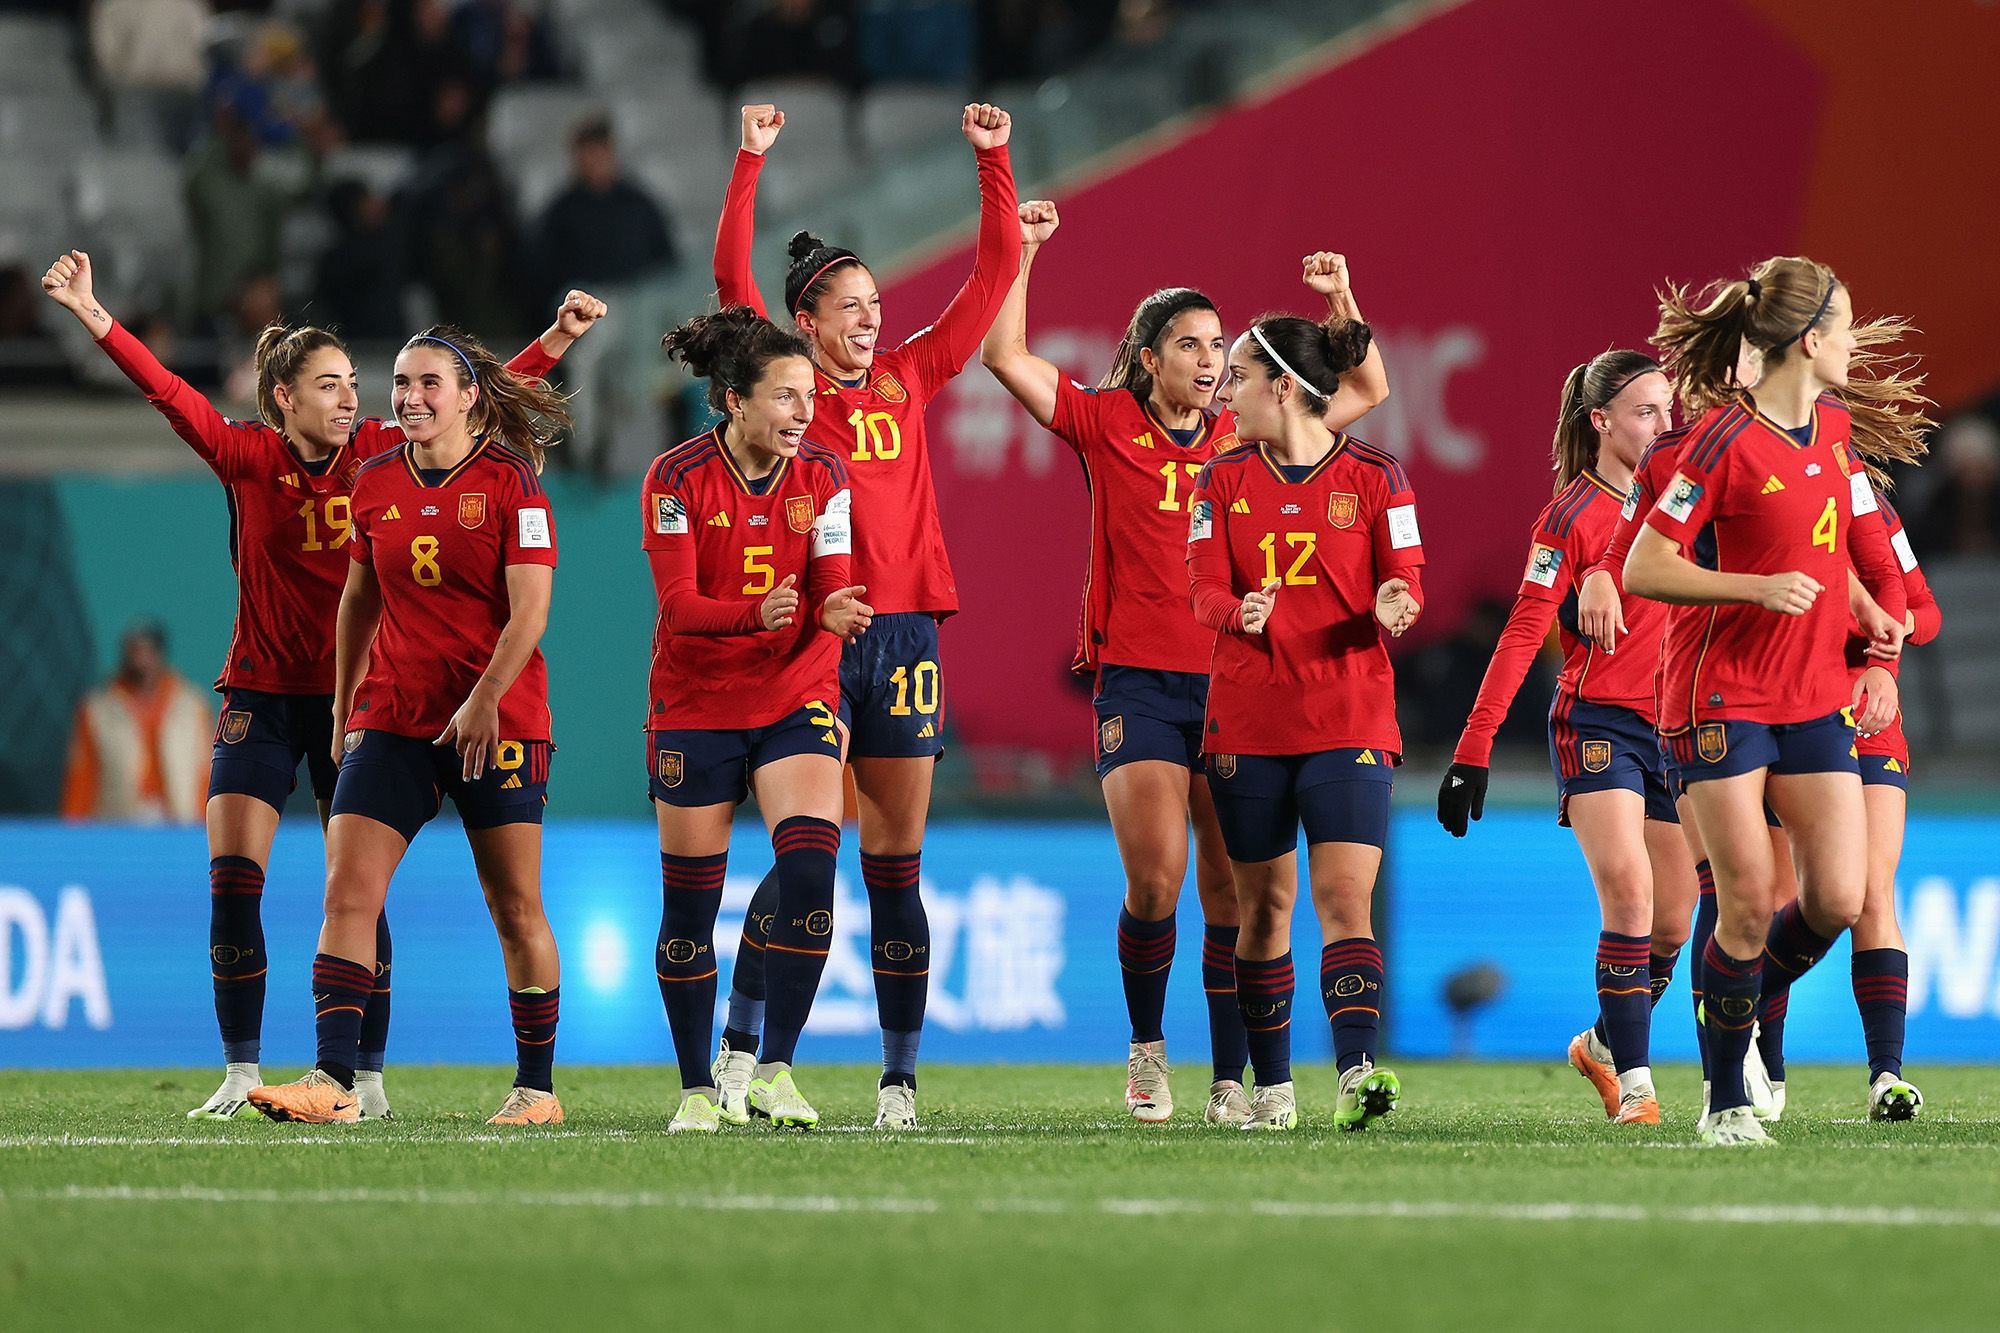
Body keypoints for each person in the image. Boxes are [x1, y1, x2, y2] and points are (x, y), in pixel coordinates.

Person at [42, 246, 603, 1120]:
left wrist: (554, 340)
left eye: (355, 383)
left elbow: (463, 396)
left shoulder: (388, 452)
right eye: (334, 385)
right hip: (273, 696)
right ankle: (249, 1069)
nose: (358, 399)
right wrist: (92, 314)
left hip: (375, 699)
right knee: (242, 878)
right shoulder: (246, 456)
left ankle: (371, 1076)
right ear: (284, 400)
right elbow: (166, 391)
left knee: (416, 893)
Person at [980, 200, 1388, 1123]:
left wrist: (1339, 299)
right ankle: (1146, 1050)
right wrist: (1024, 253)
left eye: (1219, 347)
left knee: (1233, 891)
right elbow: (1005, 357)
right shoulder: (1105, 421)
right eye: (1192, 345)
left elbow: (1364, 389)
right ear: (1147, 355)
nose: (1211, 362)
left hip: (1239, 686)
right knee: (1157, 876)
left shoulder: (1245, 432)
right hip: (1138, 680)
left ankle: (1230, 1081)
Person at [708, 100, 1020, 1129]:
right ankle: (746, 1051)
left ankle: (897, 1080)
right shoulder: (788, 396)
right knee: (808, 850)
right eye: (848, 305)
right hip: (814, 637)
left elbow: (988, 279)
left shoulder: (906, 377)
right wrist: (749, 162)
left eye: (875, 302)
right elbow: (729, 284)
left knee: (896, 865)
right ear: (804, 321)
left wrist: (993, 160)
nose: (869, 317)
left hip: (904, 636)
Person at [1625, 255, 1924, 1145]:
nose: (1854, 341)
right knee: (1749, 898)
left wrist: (1871, 624)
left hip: (1814, 694)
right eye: (1843, 325)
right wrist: (1753, 588)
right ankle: (1723, 1099)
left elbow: (1831, 551)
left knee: (1837, 895)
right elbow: (1646, 564)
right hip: (1720, 693)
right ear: (1807, 339)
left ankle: (1741, 1003)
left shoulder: (1832, 431)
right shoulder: (1719, 442)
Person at [246, 325, 575, 1127]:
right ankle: (333, 1081)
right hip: (393, 715)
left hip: (498, 720)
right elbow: (359, 598)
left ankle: (537, 1088)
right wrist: (342, 702)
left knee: (514, 906)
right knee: (346, 890)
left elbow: (530, 609)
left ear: (468, 397)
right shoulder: (375, 479)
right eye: (400, 382)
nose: (410, 397)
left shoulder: (513, 485)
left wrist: (487, 696)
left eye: (430, 383)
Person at [1438, 351, 1691, 1125]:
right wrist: (1473, 745)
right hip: (1598, 722)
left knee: (1676, 919)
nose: (1664, 425)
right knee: (1630, 890)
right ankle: (1640, 1086)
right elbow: (1522, 633)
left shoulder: (1686, 503)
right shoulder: (1569, 518)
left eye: (1669, 410)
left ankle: (1604, 1045)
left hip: (1677, 725)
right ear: (1601, 422)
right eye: (1646, 411)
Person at [1187, 309, 1420, 1132]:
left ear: (1284, 387)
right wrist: (1234, 610)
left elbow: (1406, 574)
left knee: (1345, 899)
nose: (1226, 391)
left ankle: (1356, 1072)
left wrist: (1398, 599)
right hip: (1248, 721)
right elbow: (1201, 587)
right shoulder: (1219, 479)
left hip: (1350, 714)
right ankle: (1274, 1087)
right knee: (1263, 911)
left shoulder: (1379, 476)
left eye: (1239, 377)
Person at [646, 307, 872, 1133]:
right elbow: (678, 607)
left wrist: (834, 608)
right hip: (698, 702)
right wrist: (758, 613)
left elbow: (830, 579)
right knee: (689, 912)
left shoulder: (826, 475)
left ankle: (773, 1067)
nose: (805, 412)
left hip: (793, 694)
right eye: (785, 396)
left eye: (809, 395)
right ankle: (697, 1089)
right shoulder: (673, 479)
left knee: (812, 871)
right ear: (734, 401)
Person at [60, 622, 214, 825]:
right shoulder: (98, 707)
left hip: (180, 821)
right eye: (133, 651)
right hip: (118, 822)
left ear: (159, 654)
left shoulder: (192, 705)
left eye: (146, 651)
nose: (139, 659)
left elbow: (206, 770)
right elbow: (82, 773)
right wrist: (72, 830)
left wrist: (208, 827)